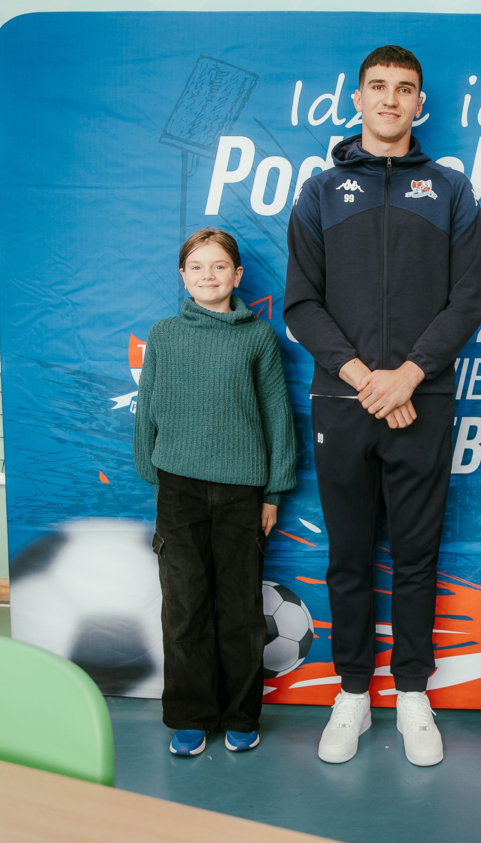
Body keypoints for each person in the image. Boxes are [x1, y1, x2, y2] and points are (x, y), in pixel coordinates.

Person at [284, 45, 481, 767]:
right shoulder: (318, 192)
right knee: (347, 556)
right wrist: (369, 379)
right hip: (343, 401)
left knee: (416, 557)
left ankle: (411, 696)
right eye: (378, 87)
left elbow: (466, 301)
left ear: (419, 104)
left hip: (422, 401)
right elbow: (301, 305)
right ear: (358, 98)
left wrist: (408, 376)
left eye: (404, 89)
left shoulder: (453, 191)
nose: (391, 99)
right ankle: (351, 695)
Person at [134, 227, 297, 757]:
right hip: (178, 490)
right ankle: (191, 715)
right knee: (185, 606)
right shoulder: (163, 335)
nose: (209, 275)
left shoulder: (257, 338)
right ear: (183, 276)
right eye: (198, 266)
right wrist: (154, 471)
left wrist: (273, 492)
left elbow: (277, 415)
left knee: (239, 609)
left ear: (237, 275)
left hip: (241, 493)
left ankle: (241, 715)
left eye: (219, 265)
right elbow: (148, 405)